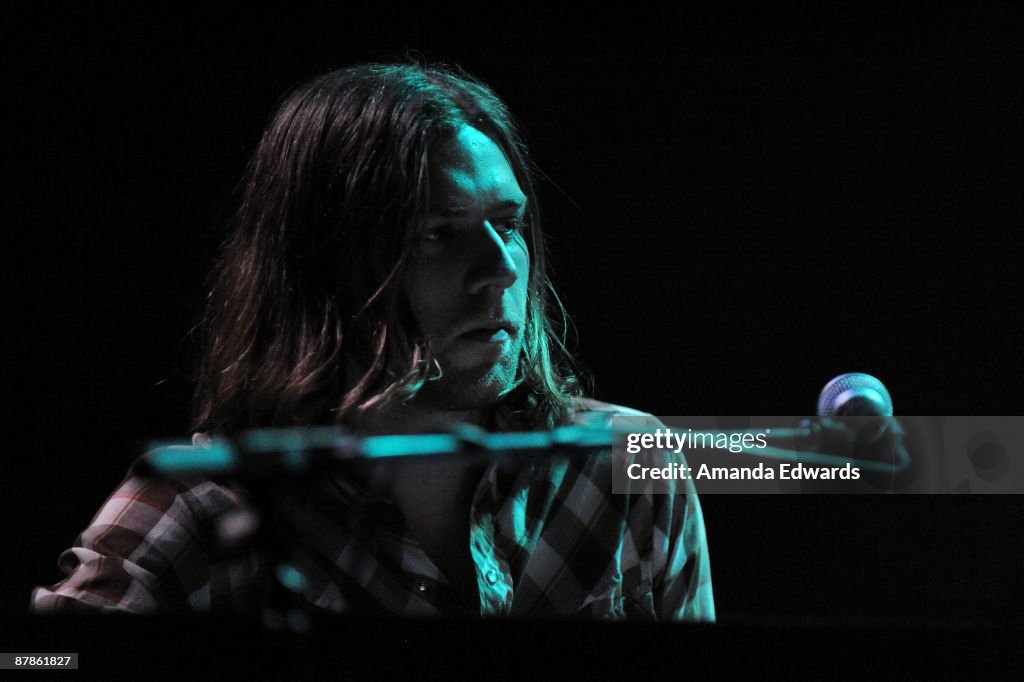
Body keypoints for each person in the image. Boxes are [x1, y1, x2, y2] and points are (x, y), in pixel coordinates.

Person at [32, 62, 715, 620]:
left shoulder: (629, 465)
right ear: (328, 264)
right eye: (437, 234)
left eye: (508, 224)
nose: (501, 269)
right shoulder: (208, 502)